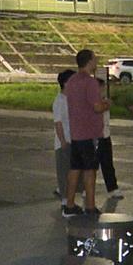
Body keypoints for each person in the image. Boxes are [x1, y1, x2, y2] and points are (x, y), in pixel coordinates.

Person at [63, 49, 110, 217]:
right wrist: (106, 104)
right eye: (95, 59)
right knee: (90, 170)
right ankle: (90, 206)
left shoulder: (72, 81)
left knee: (75, 168)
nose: (96, 61)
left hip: (76, 132)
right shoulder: (90, 83)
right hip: (90, 133)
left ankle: (69, 204)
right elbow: (96, 107)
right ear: (89, 61)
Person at [52, 69, 76, 208]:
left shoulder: (71, 99)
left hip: (73, 140)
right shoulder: (59, 101)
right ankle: (64, 200)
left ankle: (69, 198)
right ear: (66, 83)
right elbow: (58, 123)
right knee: (63, 171)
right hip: (64, 142)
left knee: (71, 171)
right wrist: (63, 141)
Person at [96, 77, 122, 199]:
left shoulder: (105, 100)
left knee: (107, 163)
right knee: (91, 165)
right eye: (101, 87)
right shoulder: (94, 102)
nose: (102, 90)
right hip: (95, 137)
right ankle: (85, 188)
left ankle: (113, 188)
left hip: (105, 135)